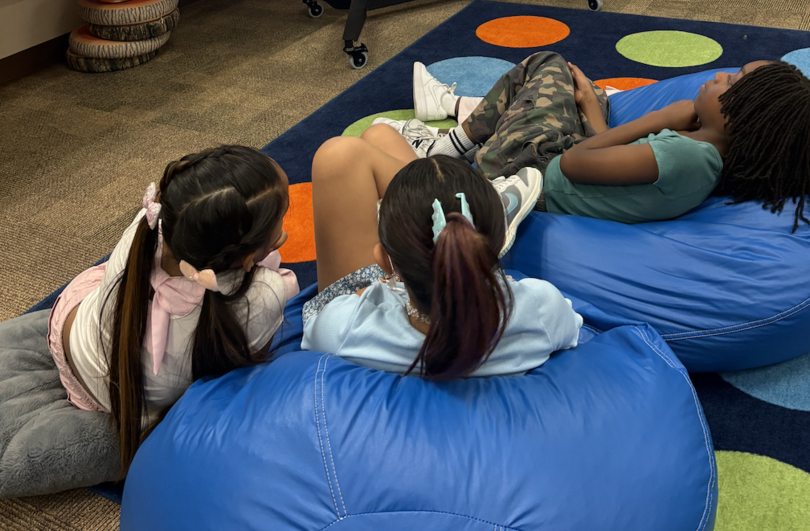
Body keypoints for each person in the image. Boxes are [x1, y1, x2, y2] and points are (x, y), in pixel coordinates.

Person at [43, 145, 296, 474]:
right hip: (124, 404)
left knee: (111, 277)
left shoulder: (147, 223)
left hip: (71, 330)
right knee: (287, 284)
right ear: (246, 256)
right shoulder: (263, 296)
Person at [381, 56, 810, 229]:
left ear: (746, 117)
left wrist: (661, 117)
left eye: (731, 82)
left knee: (548, 64)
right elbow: (613, 160)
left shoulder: (689, 157)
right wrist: (593, 111)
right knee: (588, 90)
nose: (718, 76)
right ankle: (458, 121)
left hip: (530, 170)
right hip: (559, 162)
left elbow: (572, 164)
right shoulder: (704, 154)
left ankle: (452, 145)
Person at [301, 144, 581, 378]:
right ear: (494, 246)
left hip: (389, 293)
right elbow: (571, 325)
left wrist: (369, 293)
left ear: (385, 263)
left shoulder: (344, 329)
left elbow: (313, 329)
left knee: (343, 153)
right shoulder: (542, 310)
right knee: (379, 140)